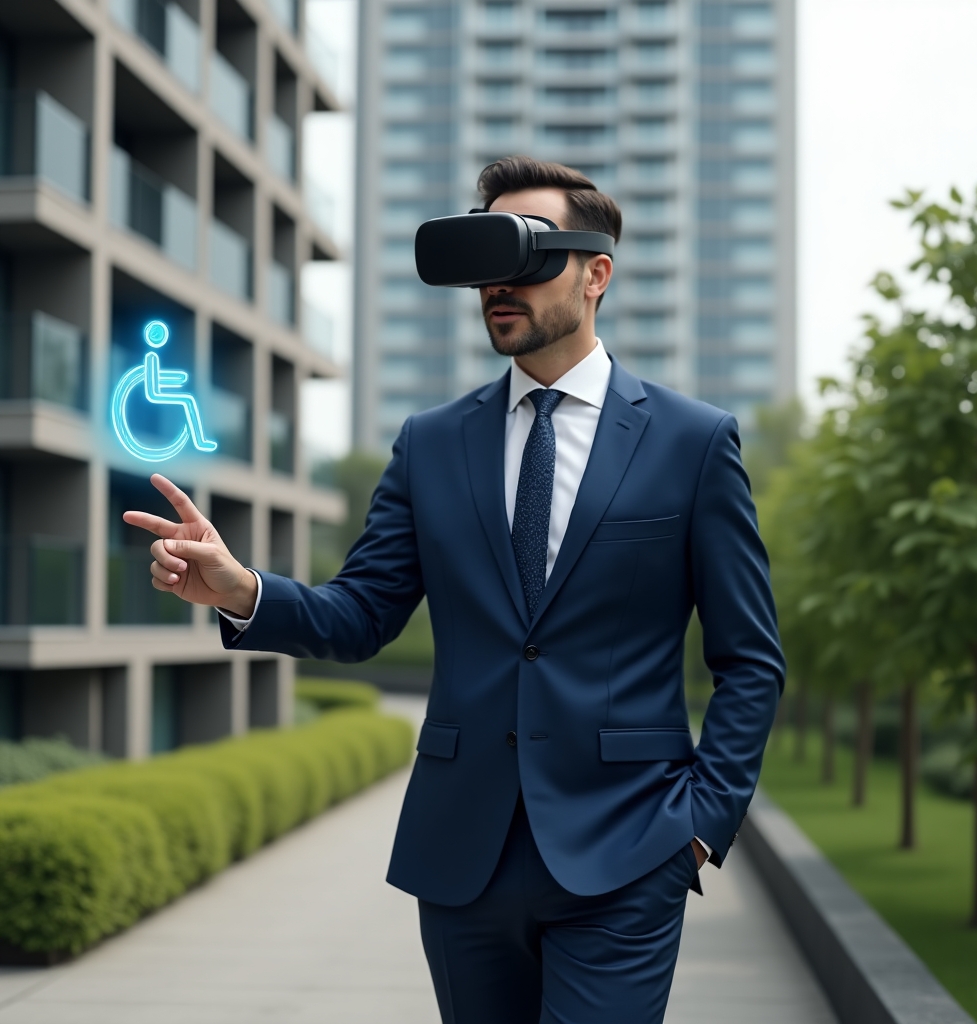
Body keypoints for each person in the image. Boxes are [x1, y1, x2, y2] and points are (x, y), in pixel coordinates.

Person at [125, 157, 785, 1024]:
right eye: (485, 261)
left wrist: (698, 827)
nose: (498, 285)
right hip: (464, 855)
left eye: (527, 255)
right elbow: (362, 614)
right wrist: (241, 588)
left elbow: (750, 660)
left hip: (629, 849)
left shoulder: (692, 443)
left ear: (596, 274)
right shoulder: (431, 443)